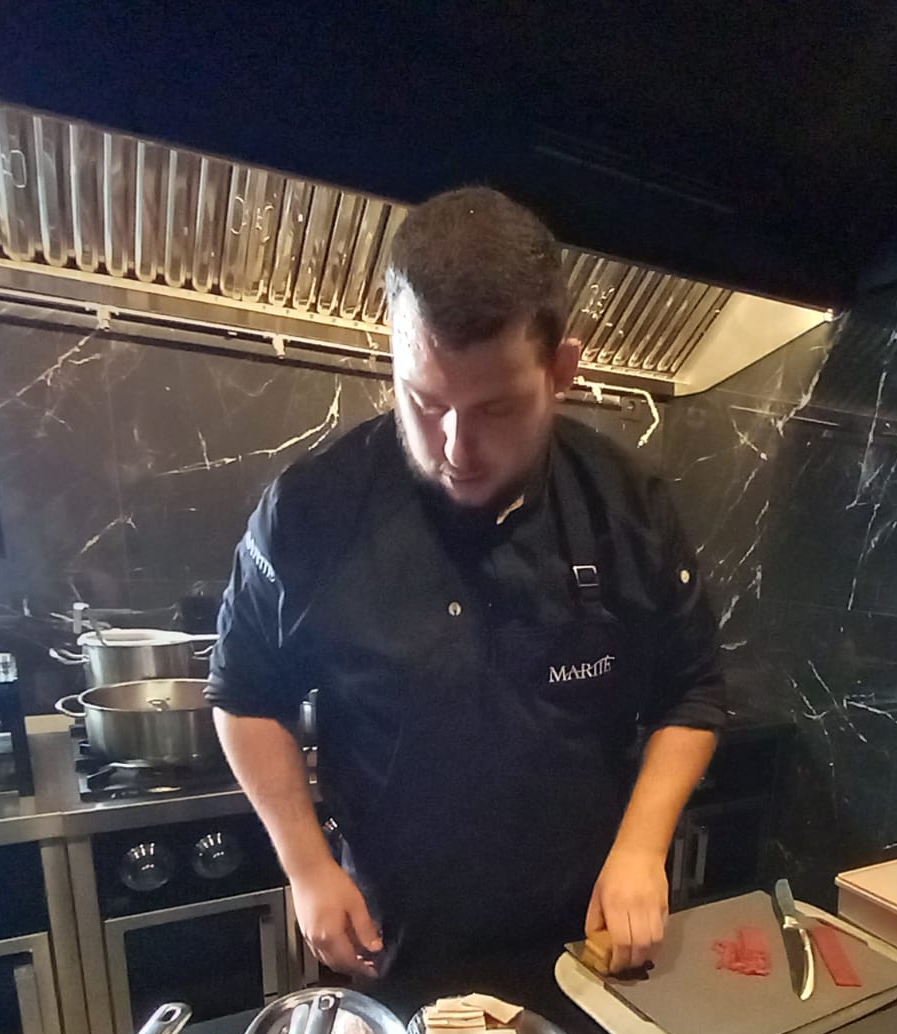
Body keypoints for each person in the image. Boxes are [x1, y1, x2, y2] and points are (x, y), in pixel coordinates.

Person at [206, 186, 726, 981]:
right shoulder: (312, 511)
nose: (456, 447)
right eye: (425, 402)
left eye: (496, 408)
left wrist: (642, 848)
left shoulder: (627, 506)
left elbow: (692, 689)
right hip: (386, 934)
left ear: (562, 372)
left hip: (583, 931)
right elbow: (246, 694)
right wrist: (307, 866)